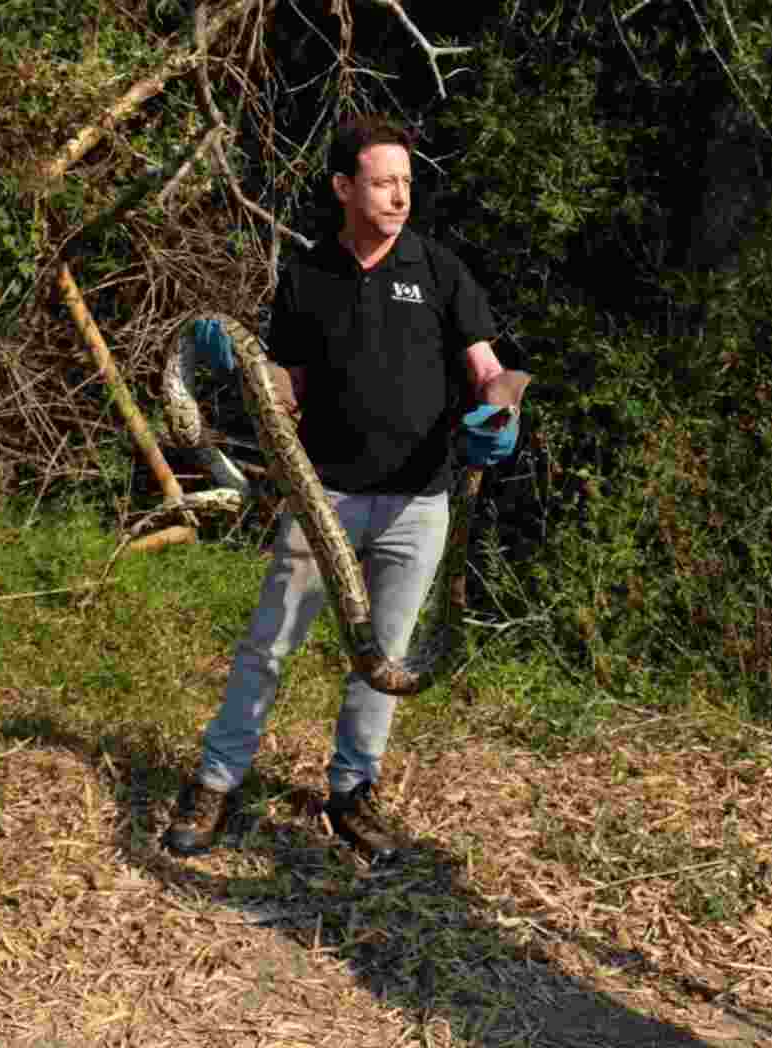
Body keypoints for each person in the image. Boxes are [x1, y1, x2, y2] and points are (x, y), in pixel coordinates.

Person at [163, 115, 512, 865]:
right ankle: (216, 784)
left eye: (407, 183)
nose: (399, 197)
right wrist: (248, 367)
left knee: (382, 659)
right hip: (323, 499)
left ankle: (352, 795)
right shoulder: (308, 276)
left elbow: (494, 369)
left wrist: (502, 412)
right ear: (344, 187)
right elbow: (289, 389)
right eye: (384, 182)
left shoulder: (440, 269)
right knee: (268, 647)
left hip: (418, 502)